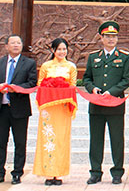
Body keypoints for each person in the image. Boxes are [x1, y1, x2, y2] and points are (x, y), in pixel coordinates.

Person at [83, 21, 129, 185]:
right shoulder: (93, 57)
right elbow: (86, 78)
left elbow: (127, 80)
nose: (111, 39)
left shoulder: (124, 57)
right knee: (96, 140)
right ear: (101, 37)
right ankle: (95, 172)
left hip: (115, 105)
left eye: (114, 36)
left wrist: (111, 91)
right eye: (108, 36)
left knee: (117, 140)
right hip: (96, 105)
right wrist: (92, 88)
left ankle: (117, 172)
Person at [0, 34, 37, 185]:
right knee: (0, 142)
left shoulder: (29, 63)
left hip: (19, 109)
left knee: (20, 142)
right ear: (6, 46)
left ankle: (17, 173)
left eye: (18, 43)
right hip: (0, 109)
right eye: (13, 43)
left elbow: (32, 83)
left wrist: (17, 88)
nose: (16, 45)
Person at [34, 38, 77, 186]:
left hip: (62, 108)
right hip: (48, 109)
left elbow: (72, 86)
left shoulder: (71, 67)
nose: (62, 52)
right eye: (59, 49)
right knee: (48, 138)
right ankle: (47, 172)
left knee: (61, 140)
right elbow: (40, 85)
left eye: (64, 49)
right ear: (53, 50)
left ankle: (58, 173)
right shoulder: (46, 66)